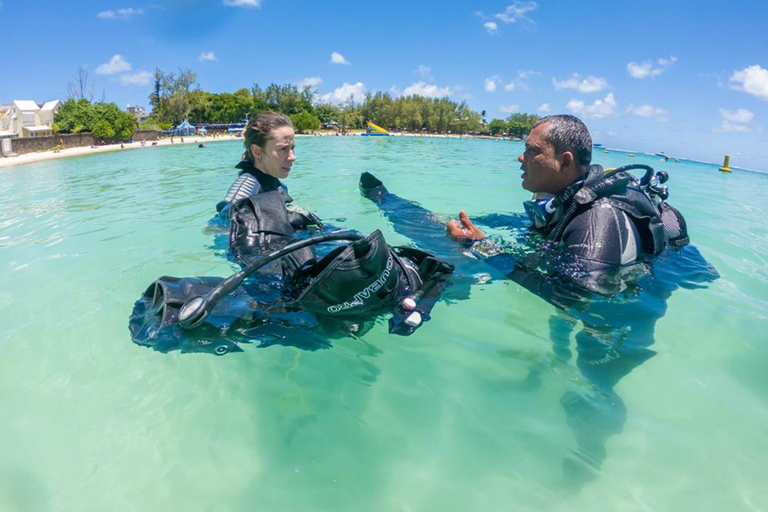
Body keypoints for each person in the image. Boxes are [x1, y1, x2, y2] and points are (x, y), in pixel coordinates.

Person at [212, 112, 322, 269]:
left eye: (292, 148)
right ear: (257, 151)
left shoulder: (275, 182)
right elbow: (222, 225)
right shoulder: (245, 190)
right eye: (283, 149)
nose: (292, 157)